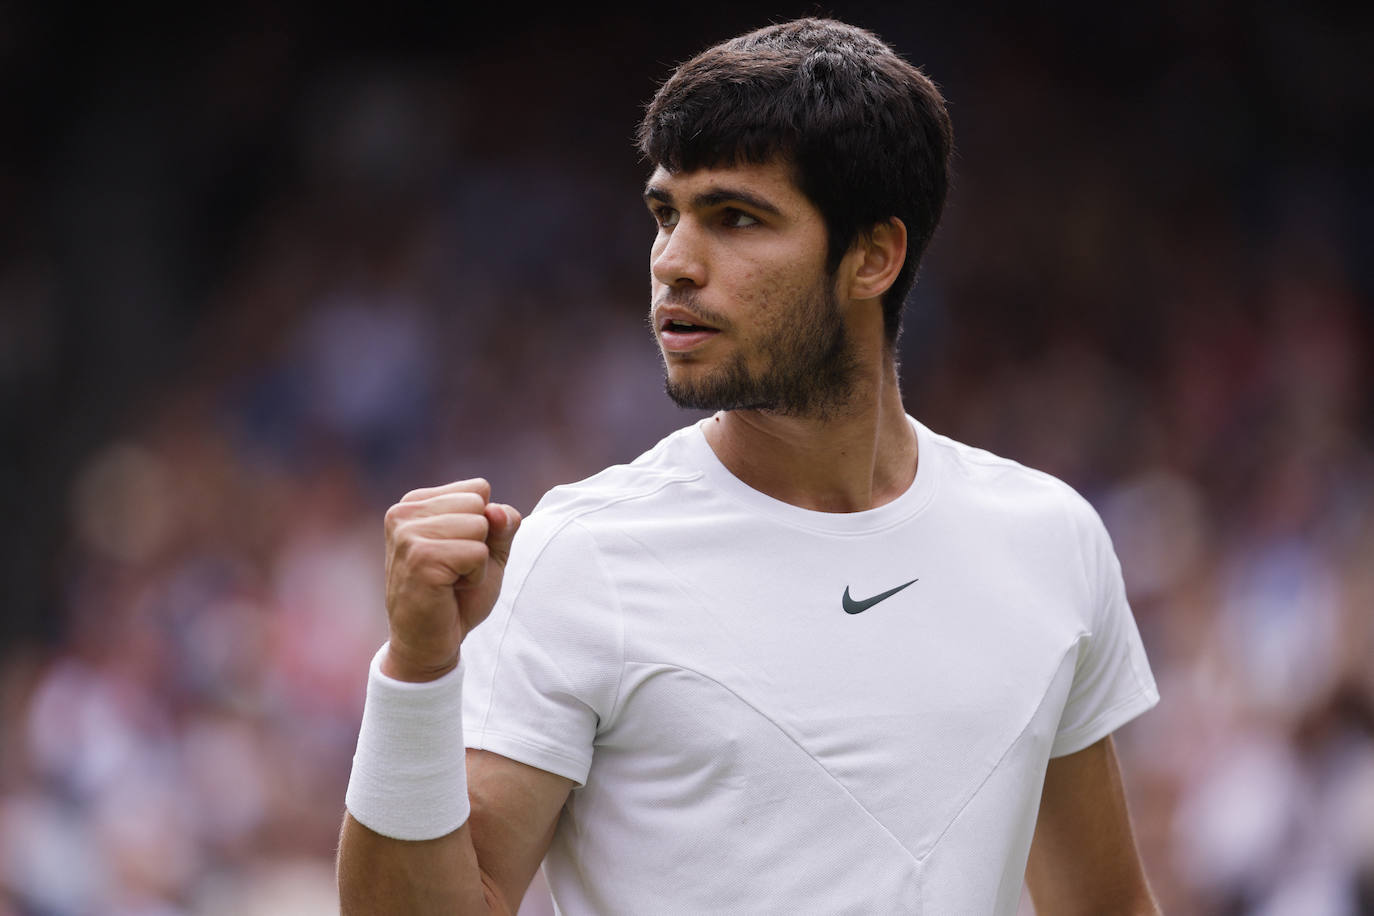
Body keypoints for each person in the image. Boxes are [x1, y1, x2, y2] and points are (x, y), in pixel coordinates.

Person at [337, 17, 1161, 914]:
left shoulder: (1052, 540)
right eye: (666, 214)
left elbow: (1102, 904)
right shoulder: (577, 554)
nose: (673, 263)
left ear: (874, 256)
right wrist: (416, 673)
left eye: (735, 218)